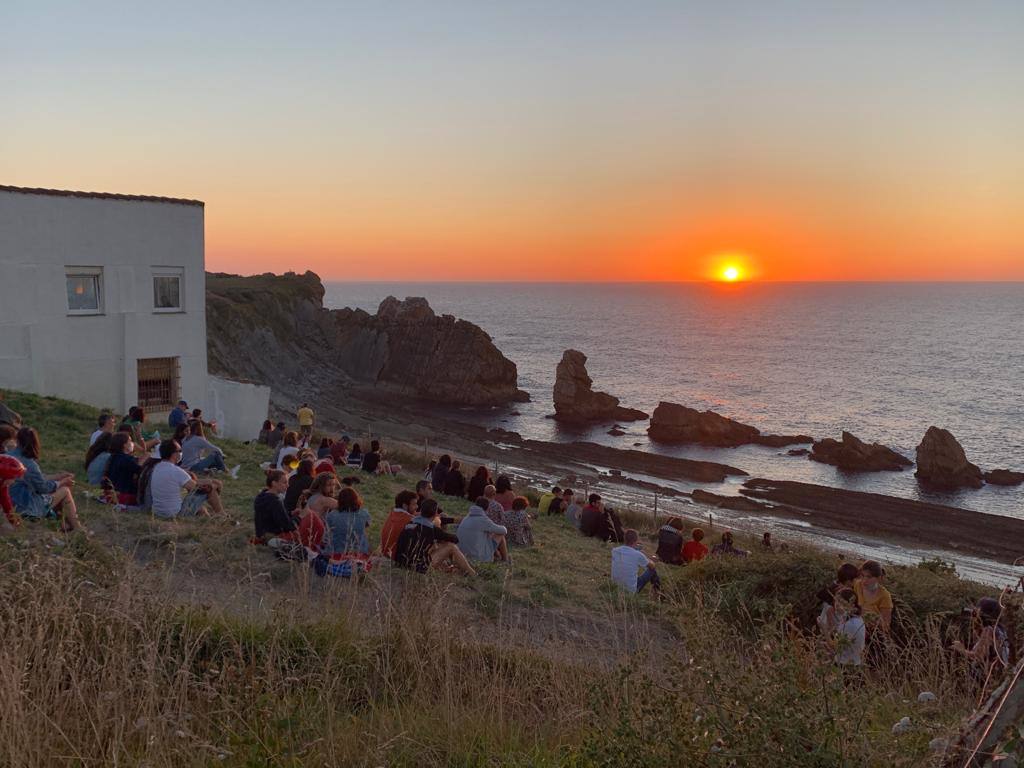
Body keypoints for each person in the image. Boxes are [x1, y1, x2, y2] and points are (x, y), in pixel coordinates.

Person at [8, 426, 83, 532]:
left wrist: (58, 476)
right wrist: (62, 482)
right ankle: (77, 527)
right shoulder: (30, 464)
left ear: (17, 440)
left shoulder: (6, 456)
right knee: (65, 490)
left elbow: (35, 479)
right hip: (26, 508)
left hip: (8, 503)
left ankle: (62, 523)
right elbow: (44, 488)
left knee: (57, 487)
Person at [395, 499, 475, 576]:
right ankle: (472, 573)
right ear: (435, 513)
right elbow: (455, 539)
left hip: (401, 563)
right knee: (451, 546)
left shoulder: (411, 522)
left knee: (434, 545)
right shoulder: (432, 529)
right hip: (417, 567)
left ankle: (451, 566)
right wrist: (439, 528)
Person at [146, 440, 219, 519]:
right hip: (175, 513)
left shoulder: (157, 468)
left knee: (202, 510)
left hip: (158, 512)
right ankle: (222, 515)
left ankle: (210, 517)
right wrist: (212, 486)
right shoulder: (176, 471)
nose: (181, 453)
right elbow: (196, 488)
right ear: (173, 454)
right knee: (211, 488)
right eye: (180, 451)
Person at [952, 597, 1010, 673]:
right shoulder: (1000, 630)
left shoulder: (989, 630)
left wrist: (961, 649)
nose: (975, 612)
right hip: (998, 675)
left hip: (986, 678)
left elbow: (978, 657)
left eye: (978, 609)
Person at [322, 486, 372, 563]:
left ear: (339, 500)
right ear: (356, 499)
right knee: (363, 534)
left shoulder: (332, 515)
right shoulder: (364, 513)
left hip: (336, 554)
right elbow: (367, 525)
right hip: (360, 553)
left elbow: (326, 534)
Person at [457, 497, 509, 562]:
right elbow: (504, 531)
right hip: (478, 557)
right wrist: (503, 527)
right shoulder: (483, 520)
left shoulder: (466, 518)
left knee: (487, 535)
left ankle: (497, 556)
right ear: (487, 508)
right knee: (500, 535)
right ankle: (505, 560)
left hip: (463, 555)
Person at [815, 563, 861, 635]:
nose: (858, 580)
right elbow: (830, 611)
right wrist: (834, 631)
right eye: (856, 579)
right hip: (830, 624)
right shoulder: (841, 592)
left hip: (828, 619)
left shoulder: (837, 585)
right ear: (849, 581)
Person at [611, 529, 661, 595]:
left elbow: (628, 552)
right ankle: (657, 591)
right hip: (631, 591)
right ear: (636, 541)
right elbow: (652, 566)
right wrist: (650, 560)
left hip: (615, 587)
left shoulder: (614, 551)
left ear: (624, 539)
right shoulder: (637, 554)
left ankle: (656, 591)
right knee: (652, 570)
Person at [253, 468, 298, 542]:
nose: (287, 485)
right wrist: (299, 518)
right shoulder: (274, 501)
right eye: (284, 482)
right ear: (274, 483)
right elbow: (286, 525)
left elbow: (274, 516)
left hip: (261, 533)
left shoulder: (261, 496)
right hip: (271, 536)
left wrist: (291, 513)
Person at [853, 560, 893, 633]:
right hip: (854, 625)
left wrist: (871, 619)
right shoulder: (857, 585)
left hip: (871, 633)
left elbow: (886, 626)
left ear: (878, 578)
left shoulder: (885, 596)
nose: (864, 580)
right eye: (862, 576)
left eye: (869, 577)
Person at [105, 432, 142, 505]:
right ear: (124, 445)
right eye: (130, 441)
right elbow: (141, 471)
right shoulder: (127, 459)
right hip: (123, 496)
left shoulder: (113, 457)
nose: (132, 443)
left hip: (111, 494)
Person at [832, 588, 866, 667]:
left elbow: (837, 647)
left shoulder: (850, 623)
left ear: (852, 605)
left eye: (841, 602)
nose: (836, 605)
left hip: (846, 665)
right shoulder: (855, 618)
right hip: (852, 662)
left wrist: (824, 630)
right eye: (836, 601)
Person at [381, 490, 418, 559]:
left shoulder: (393, 513)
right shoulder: (410, 519)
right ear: (404, 506)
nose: (417, 506)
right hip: (396, 557)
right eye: (414, 504)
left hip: (385, 552)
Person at [0, 454, 26, 528]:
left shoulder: (3, 486)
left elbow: (6, 504)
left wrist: (15, 521)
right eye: (13, 478)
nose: (14, 481)